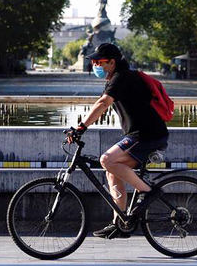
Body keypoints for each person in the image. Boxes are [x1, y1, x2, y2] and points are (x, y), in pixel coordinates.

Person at [66, 43, 169, 239]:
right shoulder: (117, 78)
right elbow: (101, 105)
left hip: (147, 135)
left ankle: (148, 192)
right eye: (94, 62)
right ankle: (120, 224)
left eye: (99, 62)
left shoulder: (122, 78)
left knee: (107, 160)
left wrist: (81, 127)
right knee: (112, 171)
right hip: (140, 135)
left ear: (112, 62)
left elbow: (103, 103)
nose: (95, 65)